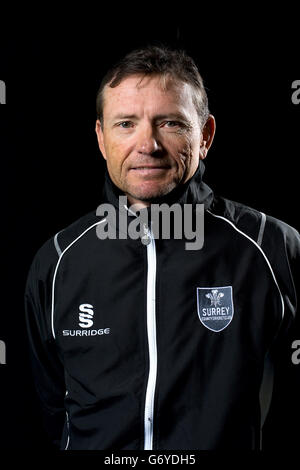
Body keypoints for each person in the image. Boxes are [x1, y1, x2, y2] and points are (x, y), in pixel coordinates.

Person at [24, 45, 300, 450]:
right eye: (125, 124)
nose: (147, 144)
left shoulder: (272, 248)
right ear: (101, 138)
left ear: (204, 135)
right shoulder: (58, 261)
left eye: (169, 123)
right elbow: (52, 408)